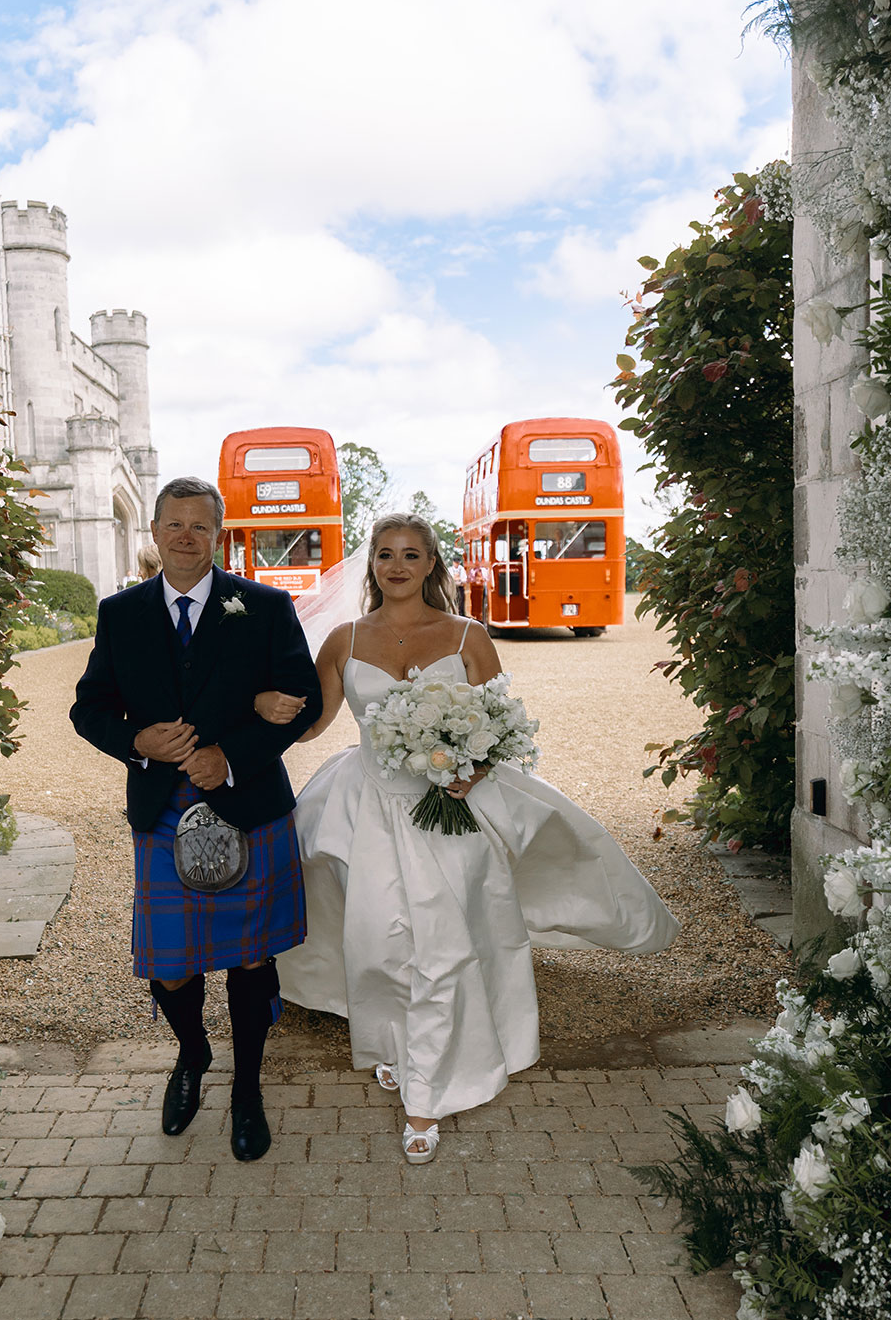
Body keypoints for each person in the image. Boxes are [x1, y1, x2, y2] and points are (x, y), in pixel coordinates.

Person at [256, 512, 679, 1164]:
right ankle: (398, 1044)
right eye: (386, 555)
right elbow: (314, 724)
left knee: (446, 943)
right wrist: (268, 713)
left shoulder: (468, 637)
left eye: (412, 555)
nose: (397, 566)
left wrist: (471, 767)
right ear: (373, 565)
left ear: (432, 565)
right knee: (380, 942)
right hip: (367, 810)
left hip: (450, 808)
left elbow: (497, 722)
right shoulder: (343, 640)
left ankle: (426, 1095)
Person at [71, 477, 321, 1161]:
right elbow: (88, 708)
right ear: (154, 532)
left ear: (220, 534)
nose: (186, 537)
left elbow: (306, 696)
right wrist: (136, 742)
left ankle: (247, 1089)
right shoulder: (120, 614)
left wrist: (230, 756)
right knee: (172, 964)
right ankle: (193, 1051)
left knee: (249, 960)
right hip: (161, 808)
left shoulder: (264, 606)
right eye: (173, 525)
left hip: (247, 804)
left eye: (199, 526)